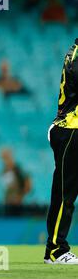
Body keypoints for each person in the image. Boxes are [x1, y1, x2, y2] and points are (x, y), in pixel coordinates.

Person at [44, 38, 78, 264]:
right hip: (72, 129)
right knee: (65, 193)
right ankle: (56, 250)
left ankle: (55, 249)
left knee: (63, 192)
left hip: (69, 128)